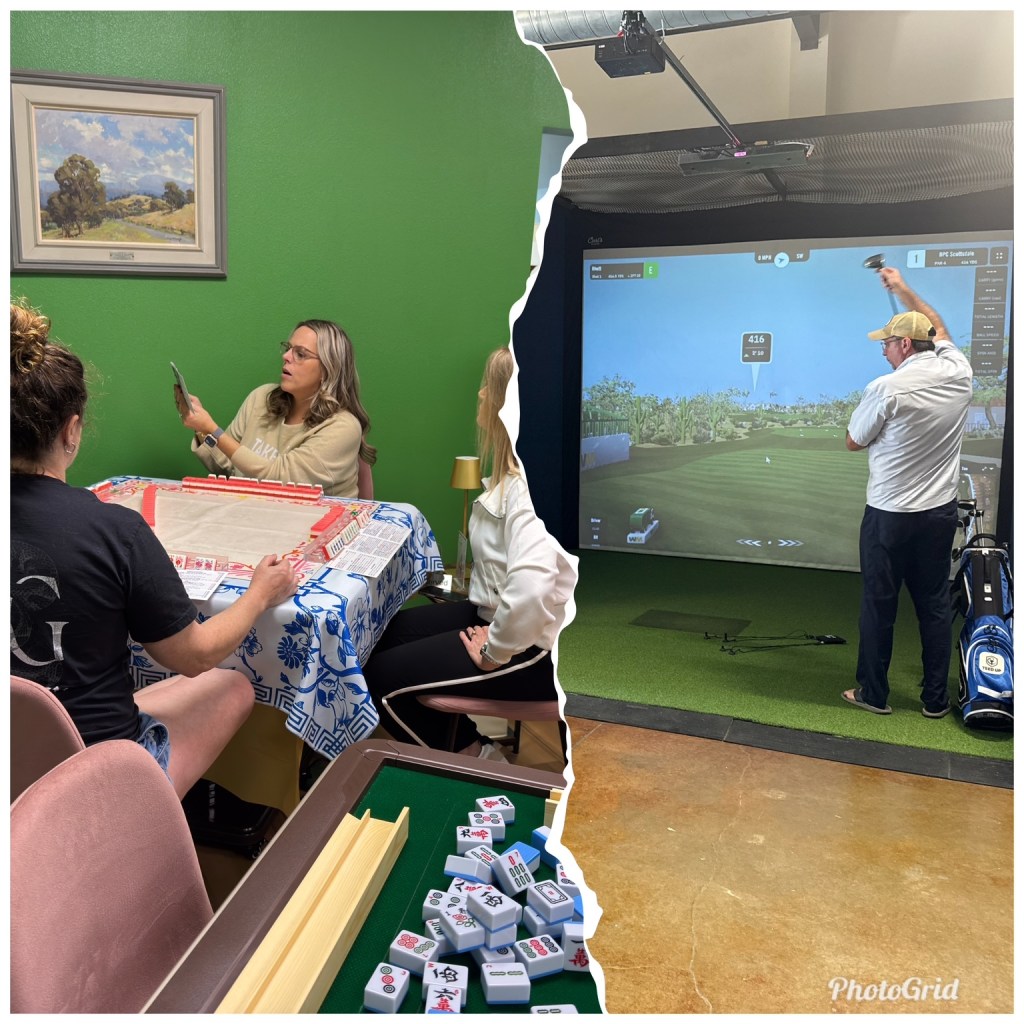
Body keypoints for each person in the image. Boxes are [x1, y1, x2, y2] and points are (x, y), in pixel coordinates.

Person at [11, 299, 300, 798]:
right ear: (72, 429)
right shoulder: (113, 530)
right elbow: (194, 656)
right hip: (94, 776)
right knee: (230, 685)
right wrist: (259, 594)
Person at [362, 347, 576, 757]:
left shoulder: (527, 490)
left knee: (376, 676)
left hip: (534, 648)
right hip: (493, 615)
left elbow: (531, 589)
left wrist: (494, 651)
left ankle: (473, 760)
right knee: (375, 640)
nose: (479, 395)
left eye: (487, 388)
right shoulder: (514, 473)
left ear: (505, 404)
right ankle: (472, 747)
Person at [841, 267, 973, 717]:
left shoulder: (887, 387)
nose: (882, 349)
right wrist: (902, 288)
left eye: (886, 342)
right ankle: (935, 700)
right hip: (939, 513)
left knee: (879, 606)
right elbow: (940, 327)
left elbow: (854, 440)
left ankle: (874, 695)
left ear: (903, 345)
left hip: (889, 515)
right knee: (935, 606)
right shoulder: (958, 369)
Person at [176, 318, 376, 498]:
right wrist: (201, 428)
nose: (286, 356)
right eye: (288, 348)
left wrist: (212, 428)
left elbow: (279, 480)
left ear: (328, 368)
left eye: (300, 354)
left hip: (318, 528)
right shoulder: (261, 398)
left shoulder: (344, 427)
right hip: (261, 517)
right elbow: (229, 466)